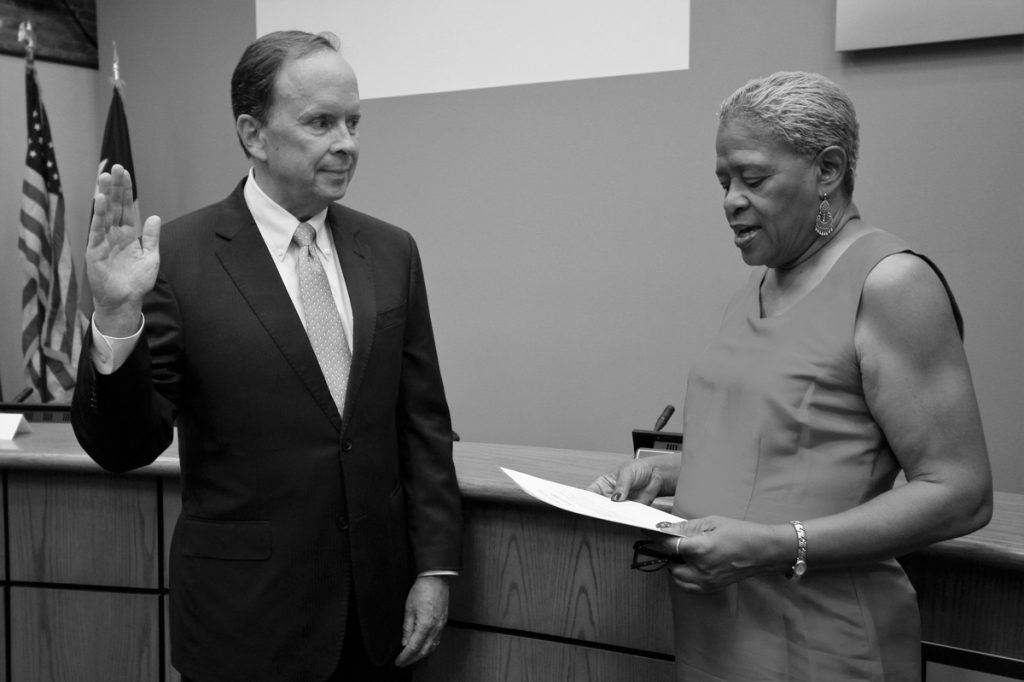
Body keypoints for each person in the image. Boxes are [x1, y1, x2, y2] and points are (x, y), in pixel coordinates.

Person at [71, 30, 461, 682]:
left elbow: (421, 424)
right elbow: (123, 445)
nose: (347, 143)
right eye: (320, 122)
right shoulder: (180, 260)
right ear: (254, 135)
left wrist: (435, 568)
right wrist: (115, 317)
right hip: (244, 628)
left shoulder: (392, 253)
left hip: (376, 623)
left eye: (353, 122)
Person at [588, 71, 992, 681]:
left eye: (752, 179)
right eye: (724, 182)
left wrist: (776, 547)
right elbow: (778, 451)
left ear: (827, 171)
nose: (730, 199)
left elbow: (960, 492)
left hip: (821, 638)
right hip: (718, 629)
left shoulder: (891, 283)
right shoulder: (761, 281)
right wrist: (663, 473)